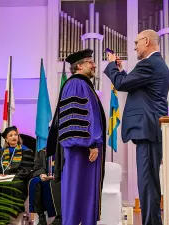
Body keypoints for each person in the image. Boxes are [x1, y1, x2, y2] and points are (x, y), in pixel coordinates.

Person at [104, 29, 169, 225]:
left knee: (148, 183)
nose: (134, 47)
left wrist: (111, 66)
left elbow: (122, 84)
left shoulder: (149, 63)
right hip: (149, 128)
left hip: (148, 128)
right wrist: (121, 71)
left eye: (136, 43)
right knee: (148, 182)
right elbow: (133, 83)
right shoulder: (155, 64)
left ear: (147, 41)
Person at [47, 49, 106, 225]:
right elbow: (77, 118)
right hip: (81, 149)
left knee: (85, 192)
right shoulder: (77, 84)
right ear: (79, 65)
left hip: (85, 147)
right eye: (90, 62)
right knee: (77, 192)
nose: (94, 65)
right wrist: (91, 143)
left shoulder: (84, 85)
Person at [0, 126, 35, 223]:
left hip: (18, 178)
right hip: (1, 177)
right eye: (11, 135)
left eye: (15, 135)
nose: (14, 137)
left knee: (13, 184)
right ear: (6, 139)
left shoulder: (25, 151)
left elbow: (26, 169)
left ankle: (11, 212)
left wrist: (12, 176)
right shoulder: (0, 152)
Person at [29, 148, 62, 225]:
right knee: (34, 182)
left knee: (53, 184)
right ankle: (41, 216)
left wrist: (55, 176)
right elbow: (37, 166)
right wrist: (42, 174)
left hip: (60, 177)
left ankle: (59, 217)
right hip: (46, 176)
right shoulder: (42, 151)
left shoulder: (64, 150)